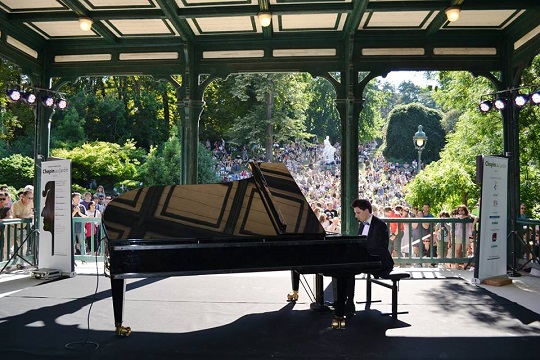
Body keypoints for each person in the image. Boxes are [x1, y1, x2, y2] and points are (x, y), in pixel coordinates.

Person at [334, 199, 394, 319]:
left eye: (358, 213)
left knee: (349, 269)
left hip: (379, 261)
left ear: (366, 211)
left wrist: (363, 254)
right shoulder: (363, 224)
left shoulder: (380, 225)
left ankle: (348, 303)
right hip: (367, 258)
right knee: (345, 268)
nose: (356, 216)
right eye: (355, 213)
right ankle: (346, 302)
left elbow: (381, 248)